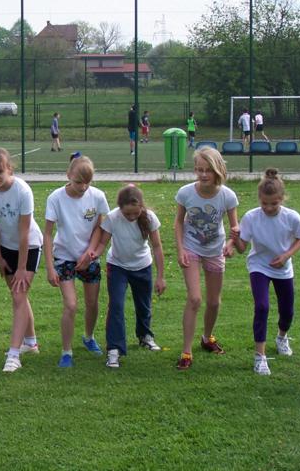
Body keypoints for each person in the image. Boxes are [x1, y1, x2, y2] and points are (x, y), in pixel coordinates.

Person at [232, 168, 300, 375]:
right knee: (262, 307)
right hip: (259, 266)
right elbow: (242, 248)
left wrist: (286, 256)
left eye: (274, 203)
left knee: (287, 311)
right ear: (259, 199)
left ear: (282, 199)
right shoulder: (251, 217)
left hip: (282, 268)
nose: (268, 208)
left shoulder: (291, 217)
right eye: (264, 203)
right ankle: (260, 356)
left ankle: (282, 337)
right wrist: (235, 239)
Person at [174, 146, 239, 370]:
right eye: (199, 170)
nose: (203, 175)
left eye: (207, 170)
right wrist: (180, 249)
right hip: (191, 247)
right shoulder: (186, 193)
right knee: (194, 299)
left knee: (213, 301)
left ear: (217, 170)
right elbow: (178, 222)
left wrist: (230, 244)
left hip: (215, 249)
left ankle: (207, 338)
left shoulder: (227, 196)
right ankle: (186, 352)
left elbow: (235, 228)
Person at [0, 148, 43, 373]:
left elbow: (24, 232)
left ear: (9, 169)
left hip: (29, 246)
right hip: (6, 248)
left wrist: (22, 268)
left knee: (18, 297)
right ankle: (31, 343)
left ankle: (14, 355)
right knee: (19, 297)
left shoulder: (22, 191)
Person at [44, 154, 110, 368]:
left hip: (89, 258)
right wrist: (49, 268)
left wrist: (90, 254)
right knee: (71, 305)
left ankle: (89, 337)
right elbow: (47, 234)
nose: (83, 187)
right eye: (79, 182)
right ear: (68, 175)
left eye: (87, 182)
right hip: (63, 257)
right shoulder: (55, 198)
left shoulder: (97, 196)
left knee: (92, 303)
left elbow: (100, 227)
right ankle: (66, 352)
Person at [92, 184, 166, 369]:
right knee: (116, 305)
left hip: (143, 266)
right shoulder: (113, 218)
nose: (132, 217)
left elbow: (157, 247)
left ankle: (145, 336)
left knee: (144, 304)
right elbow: (102, 243)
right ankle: (114, 349)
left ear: (141, 206)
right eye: (128, 214)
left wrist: (160, 276)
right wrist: (93, 254)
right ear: (120, 208)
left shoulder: (149, 218)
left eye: (135, 213)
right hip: (118, 267)